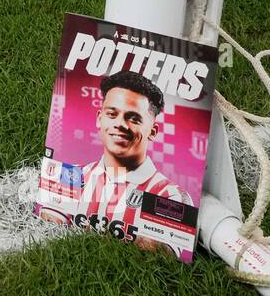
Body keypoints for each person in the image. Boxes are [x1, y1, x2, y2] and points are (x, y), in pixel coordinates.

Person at [72, 71, 191, 253]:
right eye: (112, 114)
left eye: (133, 118)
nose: (120, 124)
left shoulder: (170, 196)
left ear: (152, 131)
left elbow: (164, 260)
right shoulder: (73, 176)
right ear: (99, 119)